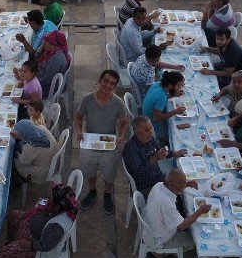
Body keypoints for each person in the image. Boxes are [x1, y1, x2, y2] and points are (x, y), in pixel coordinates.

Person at [74, 70, 130, 214]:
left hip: (109, 144)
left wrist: (121, 137)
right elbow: (78, 117)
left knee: (110, 174)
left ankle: (107, 194)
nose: (107, 85)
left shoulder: (118, 103)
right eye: (106, 81)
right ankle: (92, 192)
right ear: (100, 81)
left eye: (112, 83)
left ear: (115, 86)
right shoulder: (87, 99)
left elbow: (124, 123)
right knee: (89, 170)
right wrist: (79, 131)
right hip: (90, 142)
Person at [123, 116, 186, 198]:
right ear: (136, 132)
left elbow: (159, 151)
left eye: (151, 128)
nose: (150, 132)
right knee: (176, 191)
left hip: (157, 177)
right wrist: (154, 158)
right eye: (146, 130)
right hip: (146, 186)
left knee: (181, 182)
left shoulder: (149, 139)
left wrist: (175, 153)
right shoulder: (131, 149)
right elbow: (138, 173)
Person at [10, 115, 57, 186]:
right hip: (53, 160)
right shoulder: (41, 128)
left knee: (12, 160)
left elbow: (24, 163)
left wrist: (17, 154)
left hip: (42, 171)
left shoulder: (30, 146)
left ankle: (16, 180)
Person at [141, 71, 185, 145]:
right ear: (170, 86)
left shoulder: (158, 84)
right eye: (178, 85)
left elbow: (158, 101)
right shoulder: (161, 96)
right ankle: (166, 144)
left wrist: (173, 95)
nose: (179, 87)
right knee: (178, 135)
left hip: (146, 117)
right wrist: (175, 112)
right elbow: (157, 118)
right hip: (152, 127)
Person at [35, 30, 71, 96]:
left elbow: (47, 80)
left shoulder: (56, 59)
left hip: (49, 87)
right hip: (41, 77)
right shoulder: (51, 51)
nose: (44, 43)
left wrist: (32, 81)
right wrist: (42, 47)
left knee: (24, 89)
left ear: (54, 44)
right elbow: (37, 58)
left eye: (46, 42)